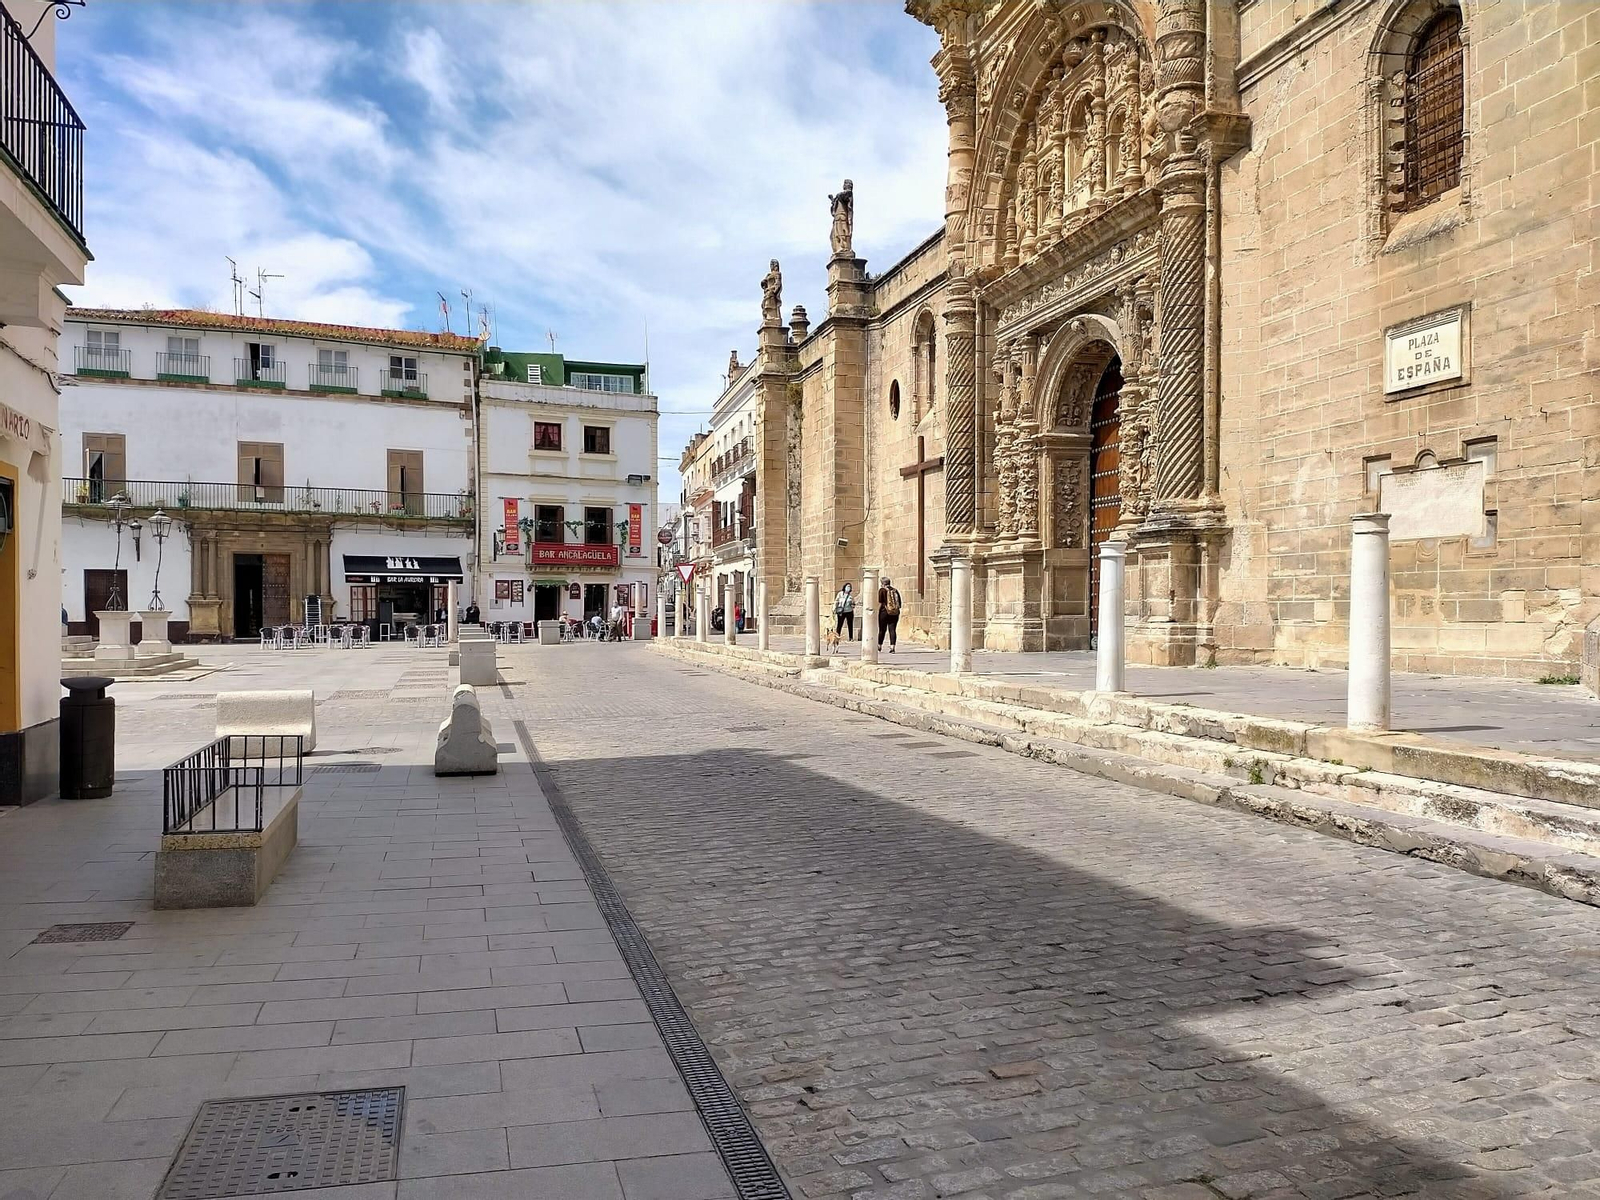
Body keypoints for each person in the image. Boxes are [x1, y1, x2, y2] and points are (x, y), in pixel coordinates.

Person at [877, 575, 902, 653]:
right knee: (892, 629)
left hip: (884, 612)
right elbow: (900, 603)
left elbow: (880, 601)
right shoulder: (895, 590)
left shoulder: (882, 590)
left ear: (882, 583)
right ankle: (892, 647)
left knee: (882, 629)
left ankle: (879, 645)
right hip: (894, 613)